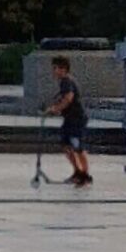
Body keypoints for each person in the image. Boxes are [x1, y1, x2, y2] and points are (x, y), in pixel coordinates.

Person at [46, 55, 93, 187]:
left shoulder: (67, 81)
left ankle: (85, 174)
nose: (53, 71)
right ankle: (78, 172)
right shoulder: (64, 82)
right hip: (70, 118)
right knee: (67, 146)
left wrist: (56, 109)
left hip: (76, 119)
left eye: (55, 68)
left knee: (77, 147)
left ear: (63, 69)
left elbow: (69, 98)